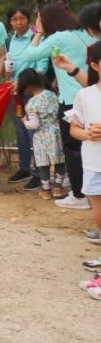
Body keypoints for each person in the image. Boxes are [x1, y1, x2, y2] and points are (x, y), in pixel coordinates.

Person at [18, 1, 101, 209]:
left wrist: (38, 32)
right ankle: (92, 193)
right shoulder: (91, 35)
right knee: (91, 148)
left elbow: (28, 56)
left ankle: (79, 196)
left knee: (72, 150)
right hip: (92, 97)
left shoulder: (59, 37)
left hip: (70, 101)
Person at [70, 42, 101, 294]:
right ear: (95, 65)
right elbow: (74, 128)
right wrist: (87, 134)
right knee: (99, 218)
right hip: (92, 163)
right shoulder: (85, 95)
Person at [6, 6, 47, 189]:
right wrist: (9, 75)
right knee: (20, 131)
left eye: (22, 18)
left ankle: (39, 174)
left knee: (34, 132)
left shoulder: (36, 39)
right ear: (10, 22)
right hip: (15, 94)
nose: (18, 22)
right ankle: (24, 168)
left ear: (28, 20)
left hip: (32, 94)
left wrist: (23, 82)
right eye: (14, 19)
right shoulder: (9, 41)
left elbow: (42, 67)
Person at [18, 67, 66, 200]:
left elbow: (34, 125)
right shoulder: (52, 94)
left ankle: (46, 190)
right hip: (57, 132)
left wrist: (24, 121)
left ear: (27, 86)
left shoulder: (31, 103)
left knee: (43, 163)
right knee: (59, 160)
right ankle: (58, 188)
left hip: (41, 136)